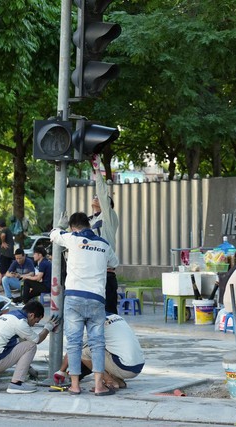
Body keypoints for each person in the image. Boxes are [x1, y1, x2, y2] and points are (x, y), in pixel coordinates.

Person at [50, 212, 119, 396]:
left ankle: (74, 385)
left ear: (73, 227)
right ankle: (98, 386)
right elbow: (114, 263)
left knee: (74, 343)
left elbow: (54, 234)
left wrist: (60, 226)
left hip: (74, 298)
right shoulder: (103, 244)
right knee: (97, 344)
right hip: (97, 298)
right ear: (88, 225)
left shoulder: (72, 238)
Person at [0, 300, 60, 393]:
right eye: (36, 321)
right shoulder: (20, 322)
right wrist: (48, 327)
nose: (34, 324)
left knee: (7, 346)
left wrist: (29, 369)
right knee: (31, 345)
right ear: (31, 315)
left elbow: (17, 351)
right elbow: (37, 340)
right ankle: (16, 384)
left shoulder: (7, 316)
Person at [54, 313, 145, 390]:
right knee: (104, 348)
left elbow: (74, 348)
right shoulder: (116, 317)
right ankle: (119, 381)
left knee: (84, 352)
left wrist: (61, 371)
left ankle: (110, 381)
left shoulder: (94, 325)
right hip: (137, 366)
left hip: (124, 367)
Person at [89, 154, 120, 315]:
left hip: (106, 274)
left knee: (109, 313)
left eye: (99, 198)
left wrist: (97, 170)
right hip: (92, 275)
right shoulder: (89, 221)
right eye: (94, 197)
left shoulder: (109, 217)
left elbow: (102, 192)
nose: (96, 197)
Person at [0, 218, 14, 287]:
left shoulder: (4, 230)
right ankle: (1, 286)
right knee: (5, 271)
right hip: (8, 254)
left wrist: (3, 242)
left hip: (5, 254)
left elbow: (3, 235)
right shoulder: (8, 230)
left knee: (2, 272)